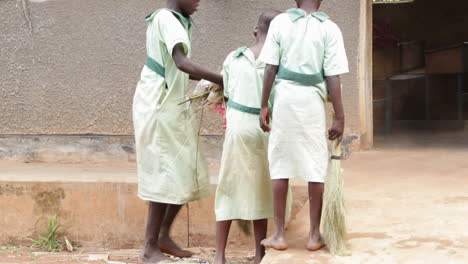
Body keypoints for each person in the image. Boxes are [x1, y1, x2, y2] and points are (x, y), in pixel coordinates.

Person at [132, 0, 223, 263]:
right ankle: (149, 247)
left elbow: (180, 69)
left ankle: (162, 236)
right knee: (166, 172)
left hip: (171, 104)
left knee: (185, 168)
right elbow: (182, 63)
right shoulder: (166, 19)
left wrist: (212, 79)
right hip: (159, 105)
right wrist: (222, 80)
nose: (199, 2)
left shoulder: (177, 20)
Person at [258, 0, 349, 252]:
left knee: (280, 163)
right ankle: (313, 235)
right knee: (315, 165)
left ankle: (278, 234)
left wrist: (263, 104)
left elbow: (270, 68)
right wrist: (339, 116)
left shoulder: (280, 22)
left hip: (285, 98)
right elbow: (333, 76)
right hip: (312, 101)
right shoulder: (330, 28)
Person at [213, 11, 282, 264]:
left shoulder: (234, 57)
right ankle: (259, 253)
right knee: (261, 190)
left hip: (237, 129)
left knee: (228, 186)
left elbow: (228, 95)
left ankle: (219, 255)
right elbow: (277, 101)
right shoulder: (278, 63)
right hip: (264, 130)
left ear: (255, 30)